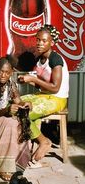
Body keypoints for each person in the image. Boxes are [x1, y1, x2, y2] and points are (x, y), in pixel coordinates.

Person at [18, 24, 69, 165]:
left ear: (51, 43)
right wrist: (26, 80)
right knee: (15, 104)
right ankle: (26, 145)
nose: (40, 43)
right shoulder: (40, 59)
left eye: (44, 41)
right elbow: (42, 85)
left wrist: (33, 79)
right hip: (43, 96)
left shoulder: (55, 60)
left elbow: (54, 87)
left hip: (57, 99)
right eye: (38, 40)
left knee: (24, 113)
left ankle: (44, 142)